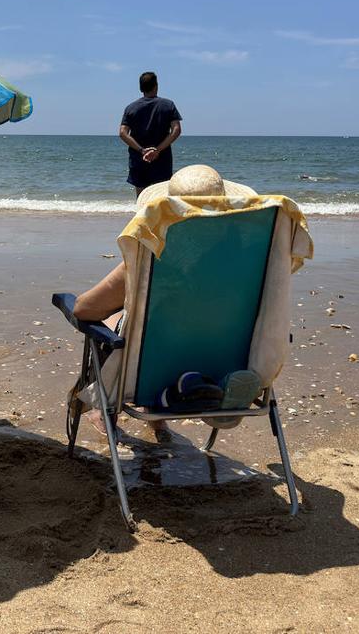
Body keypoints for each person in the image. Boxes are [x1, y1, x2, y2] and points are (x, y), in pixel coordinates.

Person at [72, 165, 254, 437]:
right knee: (198, 320)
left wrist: (73, 303)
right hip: (224, 357)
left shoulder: (153, 254)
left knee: (114, 322)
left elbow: (85, 310)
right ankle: (202, 392)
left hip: (154, 362)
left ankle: (108, 409)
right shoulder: (250, 258)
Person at [119, 71, 182, 196]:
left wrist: (142, 150)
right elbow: (176, 130)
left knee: (142, 197)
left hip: (139, 158)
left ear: (141, 88)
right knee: (162, 197)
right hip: (162, 158)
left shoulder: (131, 107)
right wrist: (157, 150)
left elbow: (123, 133)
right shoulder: (168, 105)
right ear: (156, 86)